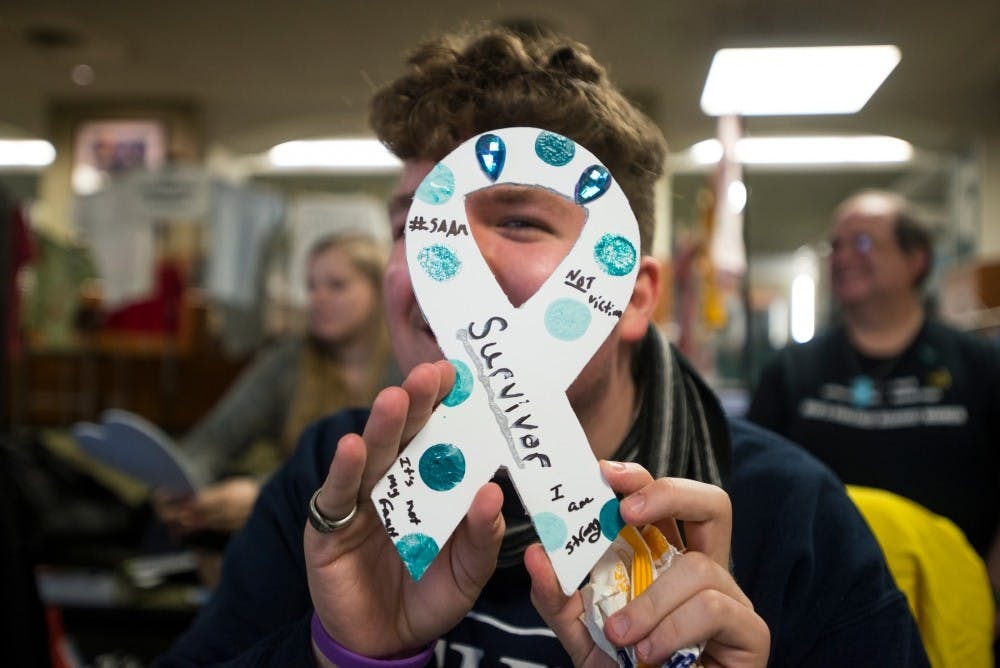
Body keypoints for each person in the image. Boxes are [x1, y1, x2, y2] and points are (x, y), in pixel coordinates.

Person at [157, 25, 927, 666]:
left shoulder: (785, 510)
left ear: (630, 295)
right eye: (409, 225)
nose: (438, 263)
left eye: (518, 220)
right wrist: (342, 654)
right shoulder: (337, 483)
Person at [747, 190, 1000, 595]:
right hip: (824, 604)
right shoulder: (793, 370)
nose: (843, 257)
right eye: (836, 245)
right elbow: (755, 485)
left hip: (954, 603)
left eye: (863, 242)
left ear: (915, 259)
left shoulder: (977, 364)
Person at [155, 232, 395, 537]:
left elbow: (385, 476)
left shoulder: (408, 364)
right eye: (311, 286)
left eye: (336, 285)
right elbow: (215, 438)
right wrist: (180, 483)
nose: (317, 298)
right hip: (295, 533)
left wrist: (266, 494)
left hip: (381, 534)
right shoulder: (288, 360)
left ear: (379, 290)